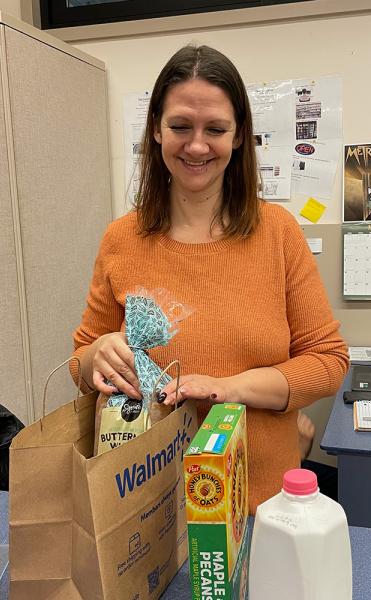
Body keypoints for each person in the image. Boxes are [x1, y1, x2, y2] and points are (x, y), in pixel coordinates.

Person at [72, 44, 349, 514]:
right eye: (180, 126)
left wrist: (229, 389)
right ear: (156, 130)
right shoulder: (121, 239)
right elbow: (81, 363)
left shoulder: (277, 233)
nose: (196, 145)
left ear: (239, 136)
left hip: (260, 506)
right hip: (147, 512)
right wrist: (96, 355)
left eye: (215, 129)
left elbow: (328, 362)